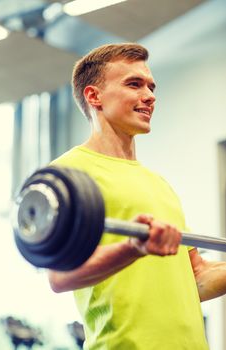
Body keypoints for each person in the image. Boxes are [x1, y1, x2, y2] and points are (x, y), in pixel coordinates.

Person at [48, 43, 226, 350]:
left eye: (151, 87)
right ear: (94, 96)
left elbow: (195, 278)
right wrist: (132, 248)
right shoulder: (67, 174)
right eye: (134, 84)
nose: (150, 96)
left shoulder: (158, 183)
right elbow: (60, 277)